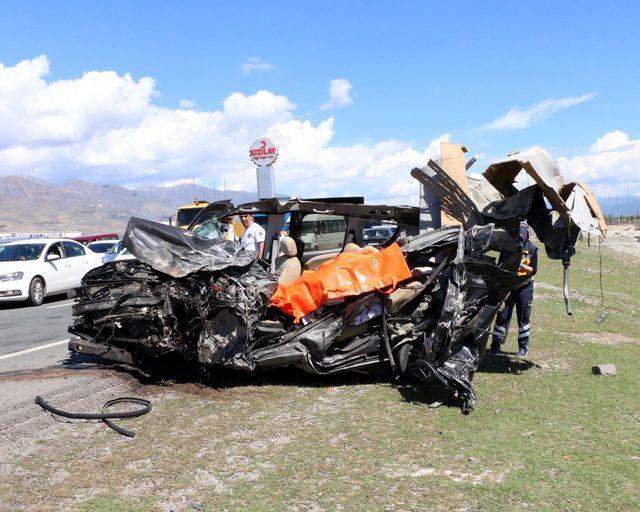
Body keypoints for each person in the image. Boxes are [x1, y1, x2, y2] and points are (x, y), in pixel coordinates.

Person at [490, 224, 538, 357]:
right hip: (509, 286)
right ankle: (495, 345)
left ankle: (523, 347)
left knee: (523, 316)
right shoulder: (508, 247)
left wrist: (520, 265)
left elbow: (534, 270)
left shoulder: (533, 249)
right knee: (503, 315)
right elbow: (501, 266)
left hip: (525, 286)